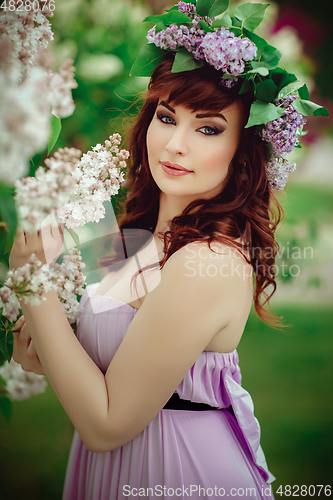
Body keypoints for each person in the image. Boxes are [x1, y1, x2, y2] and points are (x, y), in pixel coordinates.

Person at [10, 2, 327, 499]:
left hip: (179, 473)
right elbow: (75, 347)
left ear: (242, 150)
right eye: (165, 117)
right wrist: (45, 347)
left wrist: (33, 284)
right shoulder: (131, 240)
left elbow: (109, 423)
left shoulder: (209, 261)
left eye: (208, 128)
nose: (175, 144)